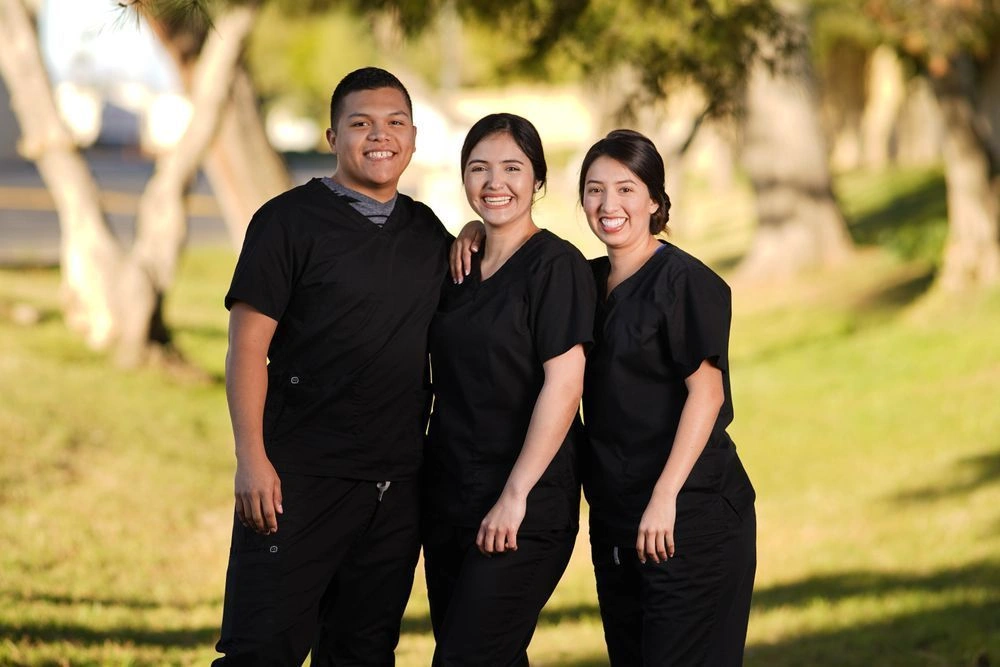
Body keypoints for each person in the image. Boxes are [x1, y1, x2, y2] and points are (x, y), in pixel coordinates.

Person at [214, 67, 451, 666]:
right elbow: (247, 347)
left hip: (395, 489)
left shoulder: (427, 232)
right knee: (259, 650)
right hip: (298, 481)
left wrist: (474, 230)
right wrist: (252, 458)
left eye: (396, 123)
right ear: (332, 137)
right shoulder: (286, 222)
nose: (381, 136)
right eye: (361, 123)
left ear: (414, 138)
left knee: (364, 653)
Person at [422, 113, 597, 666]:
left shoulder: (556, 266)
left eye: (512, 168)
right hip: (450, 495)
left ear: (538, 181)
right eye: (479, 169)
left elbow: (566, 385)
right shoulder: (459, 264)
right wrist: (470, 234)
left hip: (526, 504)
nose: (495, 182)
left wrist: (515, 495)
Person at [579, 129, 756, 666]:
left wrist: (665, 498)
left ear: (655, 199)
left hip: (689, 516)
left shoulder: (685, 283)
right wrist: (471, 230)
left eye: (626, 189)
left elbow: (706, 392)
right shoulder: (583, 282)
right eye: (594, 189)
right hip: (615, 521)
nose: (609, 205)